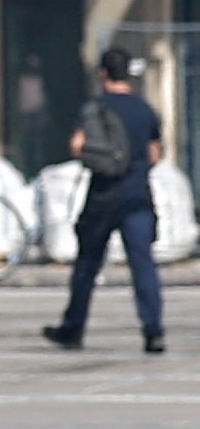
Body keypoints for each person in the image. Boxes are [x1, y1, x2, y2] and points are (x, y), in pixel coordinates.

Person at [48, 48, 168, 355]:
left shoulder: (95, 107)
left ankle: (73, 328)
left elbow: (77, 146)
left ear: (103, 73)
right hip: (138, 195)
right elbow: (154, 155)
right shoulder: (145, 110)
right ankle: (153, 330)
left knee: (88, 263)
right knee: (143, 264)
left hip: (103, 195)